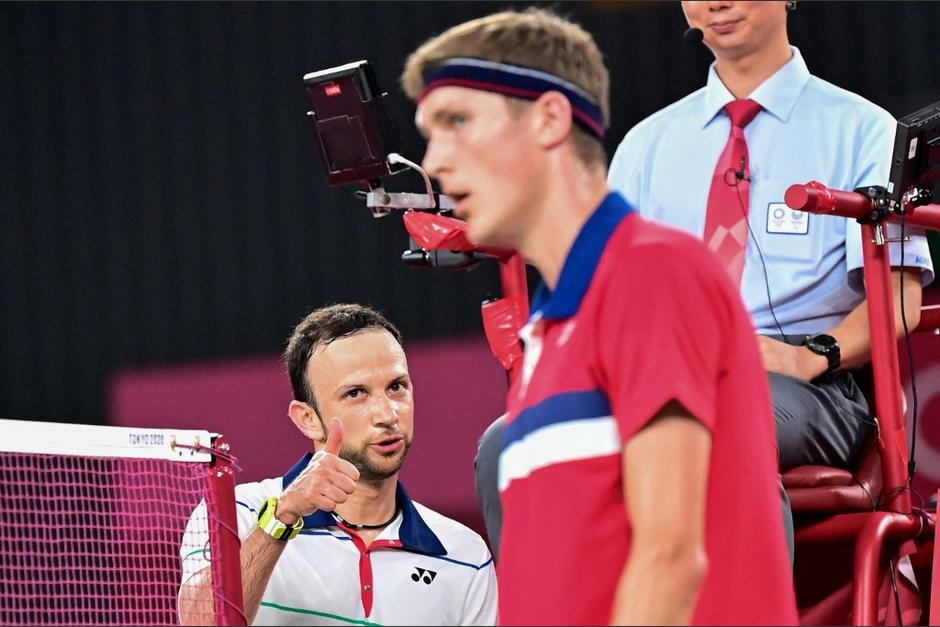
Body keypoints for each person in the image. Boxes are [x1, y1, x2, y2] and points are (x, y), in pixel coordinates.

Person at [402, 8, 796, 625]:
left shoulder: (650, 273)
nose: (437, 161)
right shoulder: (549, 330)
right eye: (430, 133)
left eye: (458, 122)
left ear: (550, 119)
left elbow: (671, 559)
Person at [609, 0, 932, 472]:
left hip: (812, 382)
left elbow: (900, 296)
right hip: (669, 373)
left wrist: (813, 355)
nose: (715, 3)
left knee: (712, 419)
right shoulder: (644, 145)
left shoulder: (863, 129)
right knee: (514, 440)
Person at [178, 304, 498, 626]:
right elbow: (200, 623)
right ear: (308, 420)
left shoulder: (466, 557)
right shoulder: (236, 513)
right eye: (356, 393)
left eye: (396, 387)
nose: (387, 415)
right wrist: (281, 519)